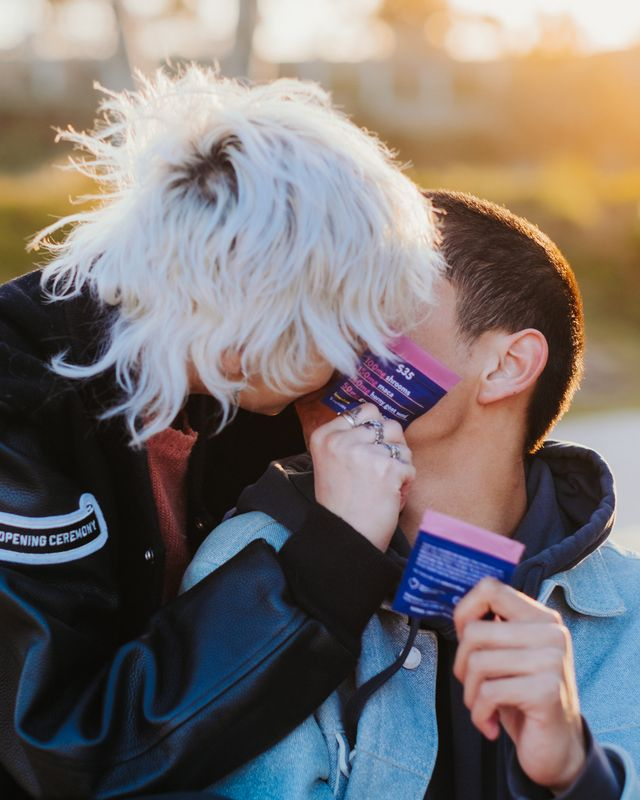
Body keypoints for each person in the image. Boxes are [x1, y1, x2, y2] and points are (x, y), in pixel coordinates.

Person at [0, 66, 444, 799]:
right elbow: (70, 751)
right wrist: (333, 558)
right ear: (251, 320)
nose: (360, 362)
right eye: (347, 332)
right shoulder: (19, 417)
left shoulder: (222, 387)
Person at [182, 191, 640, 799]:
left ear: (507, 366)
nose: (337, 332)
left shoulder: (631, 612)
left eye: (385, 296)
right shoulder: (247, 558)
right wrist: (331, 568)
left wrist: (577, 776)